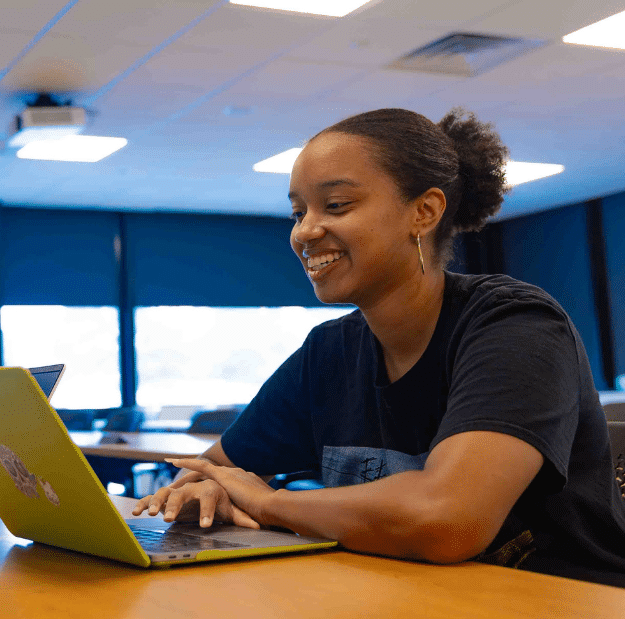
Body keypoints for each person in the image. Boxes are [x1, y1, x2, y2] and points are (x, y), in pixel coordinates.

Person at [134, 108, 625, 586]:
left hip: (560, 617)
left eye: (336, 206)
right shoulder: (329, 352)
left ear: (424, 211)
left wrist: (269, 503)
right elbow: (219, 469)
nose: (304, 231)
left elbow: (446, 518)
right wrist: (207, 491)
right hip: (402, 601)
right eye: (298, 212)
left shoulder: (516, 325)